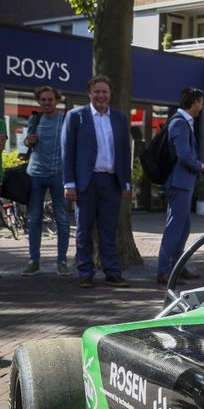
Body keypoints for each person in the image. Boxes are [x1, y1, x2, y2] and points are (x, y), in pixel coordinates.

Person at [62, 75, 133, 288]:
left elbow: (124, 152)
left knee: (109, 228)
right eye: (97, 91)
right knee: (84, 228)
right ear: (89, 93)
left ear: (110, 94)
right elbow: (68, 151)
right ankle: (85, 272)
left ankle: (112, 272)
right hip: (86, 181)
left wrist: (126, 182)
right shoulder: (76, 116)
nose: (101, 95)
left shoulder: (119, 118)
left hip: (112, 181)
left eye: (105, 92)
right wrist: (69, 183)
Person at [156, 88, 204, 284]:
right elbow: (184, 156)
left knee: (183, 227)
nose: (202, 106)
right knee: (175, 227)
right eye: (201, 102)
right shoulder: (180, 123)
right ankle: (164, 271)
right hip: (179, 182)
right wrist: (201, 166)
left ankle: (177, 266)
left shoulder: (184, 122)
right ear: (195, 102)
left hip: (184, 182)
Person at [22, 86, 70, 276]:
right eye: (43, 100)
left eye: (50, 99)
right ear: (38, 101)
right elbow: (26, 142)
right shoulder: (35, 118)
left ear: (56, 101)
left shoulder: (64, 120)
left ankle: (62, 261)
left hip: (58, 173)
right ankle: (34, 261)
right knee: (34, 219)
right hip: (35, 174)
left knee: (63, 219)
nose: (46, 103)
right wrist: (28, 141)